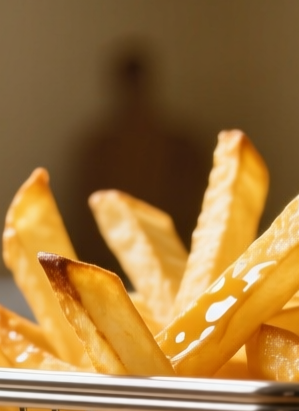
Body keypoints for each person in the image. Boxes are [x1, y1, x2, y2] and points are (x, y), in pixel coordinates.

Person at [68, 45, 206, 272]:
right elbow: (85, 220)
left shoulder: (181, 148)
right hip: (112, 264)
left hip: (169, 264)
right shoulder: (98, 149)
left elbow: (194, 211)